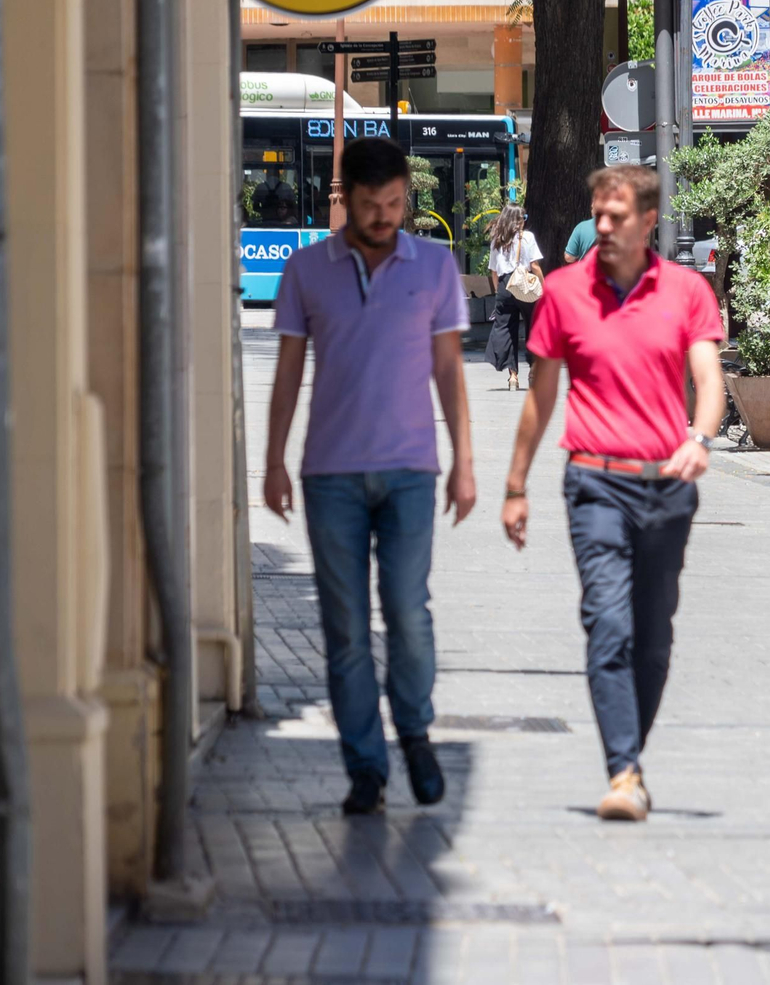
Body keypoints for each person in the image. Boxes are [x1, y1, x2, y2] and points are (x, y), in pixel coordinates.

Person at [500, 164, 725, 823]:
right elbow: (542, 396)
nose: (602, 226)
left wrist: (701, 440)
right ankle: (623, 771)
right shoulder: (566, 292)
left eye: (616, 216)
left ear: (649, 221)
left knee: (653, 641)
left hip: (667, 487)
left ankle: (630, 754)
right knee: (608, 625)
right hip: (594, 481)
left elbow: (708, 382)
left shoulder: (686, 291)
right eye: (597, 214)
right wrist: (515, 485)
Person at [264, 137, 477, 816]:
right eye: (370, 205)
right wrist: (272, 460)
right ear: (345, 199)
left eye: (393, 204)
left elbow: (449, 370)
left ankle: (413, 730)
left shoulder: (434, 268)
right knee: (346, 627)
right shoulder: (305, 270)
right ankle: (365, 767)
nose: (384, 217)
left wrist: (465, 463)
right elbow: (290, 372)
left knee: (408, 615)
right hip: (330, 474)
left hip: (412, 469)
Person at [486, 204, 544, 391]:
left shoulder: (497, 239)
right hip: (524, 284)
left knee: (506, 329)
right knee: (533, 325)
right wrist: (544, 286)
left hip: (504, 285)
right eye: (523, 217)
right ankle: (533, 368)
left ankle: (513, 376)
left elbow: (494, 271)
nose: (524, 221)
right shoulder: (527, 237)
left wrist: (498, 292)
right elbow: (534, 266)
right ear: (518, 219)